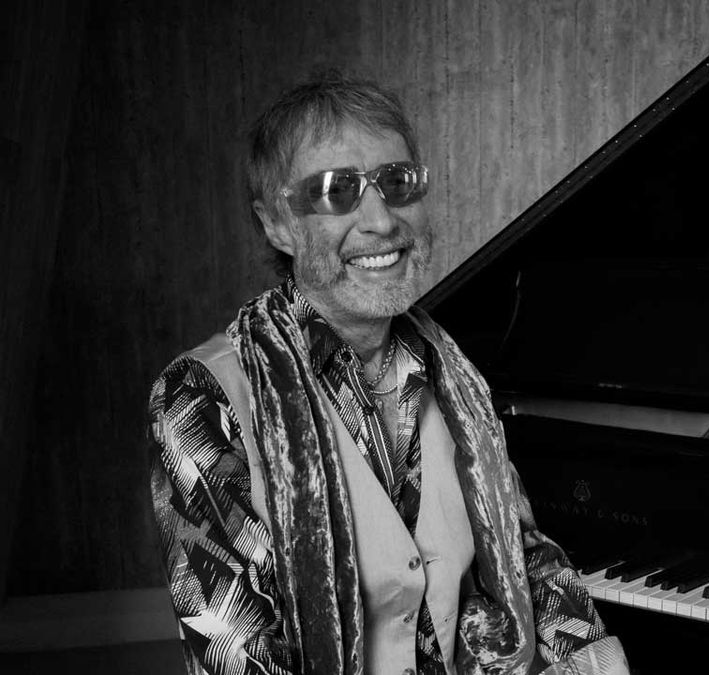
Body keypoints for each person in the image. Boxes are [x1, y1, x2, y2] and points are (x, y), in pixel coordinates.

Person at [148, 71, 629, 675]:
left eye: (396, 183)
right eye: (335, 191)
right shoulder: (201, 397)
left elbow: (530, 563)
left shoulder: (456, 376)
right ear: (276, 223)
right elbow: (237, 658)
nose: (380, 220)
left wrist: (594, 663)